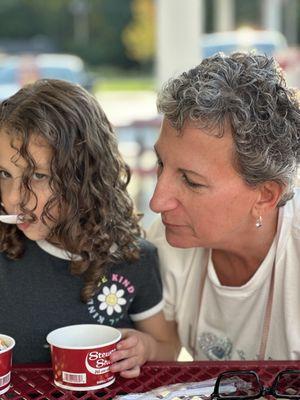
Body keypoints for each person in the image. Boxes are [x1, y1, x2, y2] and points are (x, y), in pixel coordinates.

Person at [0, 79, 177, 376]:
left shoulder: (134, 258)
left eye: (39, 176)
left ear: (86, 177)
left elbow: (169, 346)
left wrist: (145, 348)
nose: (14, 198)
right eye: (4, 173)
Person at [147, 52, 300, 361]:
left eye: (191, 181)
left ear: (266, 195)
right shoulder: (164, 243)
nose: (157, 201)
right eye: (161, 164)